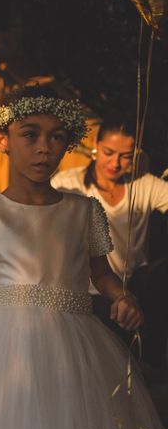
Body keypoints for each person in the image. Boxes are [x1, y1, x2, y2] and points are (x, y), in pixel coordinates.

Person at [0, 86, 167, 429]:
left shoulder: (84, 211)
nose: (44, 147)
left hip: (76, 343)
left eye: (57, 137)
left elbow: (102, 273)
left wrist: (122, 296)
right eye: (30, 134)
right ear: (2, 140)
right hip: (2, 345)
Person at [52, 117, 168, 376]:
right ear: (96, 144)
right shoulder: (68, 184)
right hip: (84, 290)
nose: (115, 164)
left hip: (133, 288)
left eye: (126, 156)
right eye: (108, 153)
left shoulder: (145, 184)